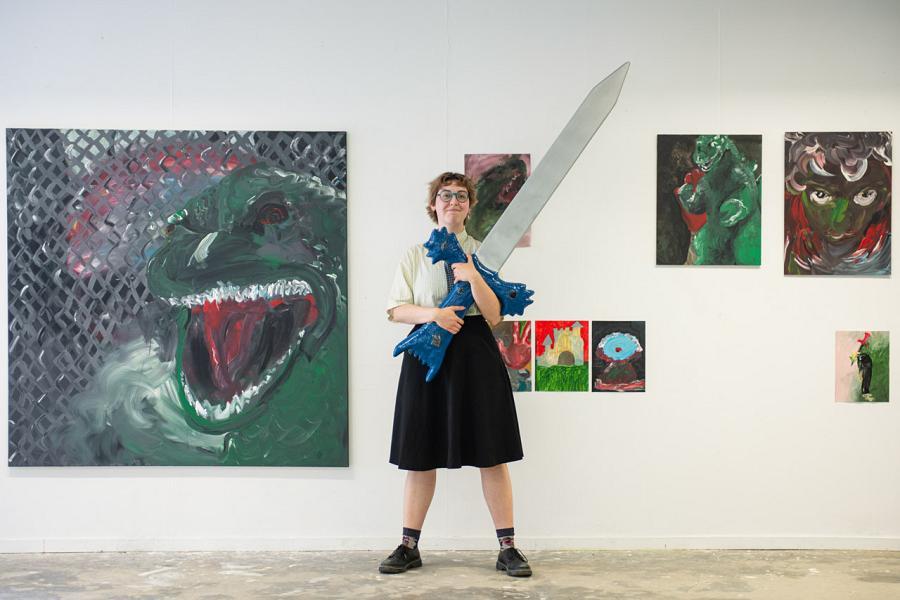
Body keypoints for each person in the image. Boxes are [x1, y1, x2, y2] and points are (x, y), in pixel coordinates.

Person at [381, 172, 531, 577]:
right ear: (434, 205)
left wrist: (474, 276)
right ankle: (408, 546)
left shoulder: (485, 254)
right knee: (419, 454)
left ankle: (508, 549)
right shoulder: (415, 255)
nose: (453, 201)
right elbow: (396, 309)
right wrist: (435, 314)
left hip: (475, 353)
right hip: (427, 351)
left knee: (492, 453)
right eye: (445, 195)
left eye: (461, 196)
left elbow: (494, 314)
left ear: (470, 205)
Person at [784, 132, 891, 275]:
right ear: (798, 192)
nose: (841, 222)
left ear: (885, 196)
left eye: (865, 195)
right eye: (821, 195)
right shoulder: (785, 246)